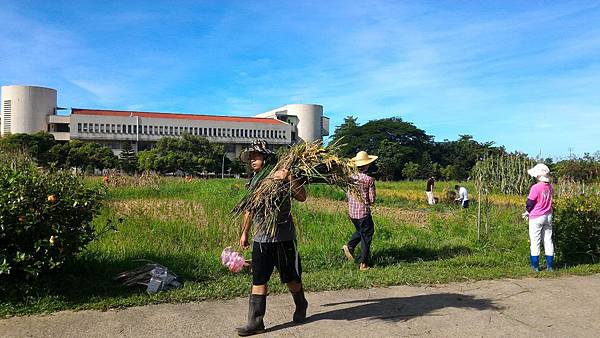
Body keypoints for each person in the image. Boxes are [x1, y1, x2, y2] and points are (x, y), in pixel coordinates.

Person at [237, 140, 308, 336]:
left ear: (266, 157)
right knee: (259, 278)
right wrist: (245, 232)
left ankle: (301, 304)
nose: (252, 160)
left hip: (283, 238)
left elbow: (302, 196)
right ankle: (256, 322)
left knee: (291, 279)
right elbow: (249, 209)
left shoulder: (281, 175)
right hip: (261, 238)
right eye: (250, 157)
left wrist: (288, 178)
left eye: (256, 156)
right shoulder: (254, 180)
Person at [342, 150, 378, 271]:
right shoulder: (369, 180)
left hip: (352, 213)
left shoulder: (350, 178)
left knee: (360, 231)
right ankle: (363, 264)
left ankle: (349, 246)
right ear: (367, 165)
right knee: (367, 235)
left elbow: (347, 196)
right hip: (363, 213)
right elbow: (372, 199)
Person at [524, 163, 554, 272]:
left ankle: (535, 266)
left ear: (538, 175)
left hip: (536, 216)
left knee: (535, 241)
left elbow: (530, 202)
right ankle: (550, 267)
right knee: (548, 240)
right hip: (548, 215)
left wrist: (527, 211)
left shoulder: (536, 187)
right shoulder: (550, 187)